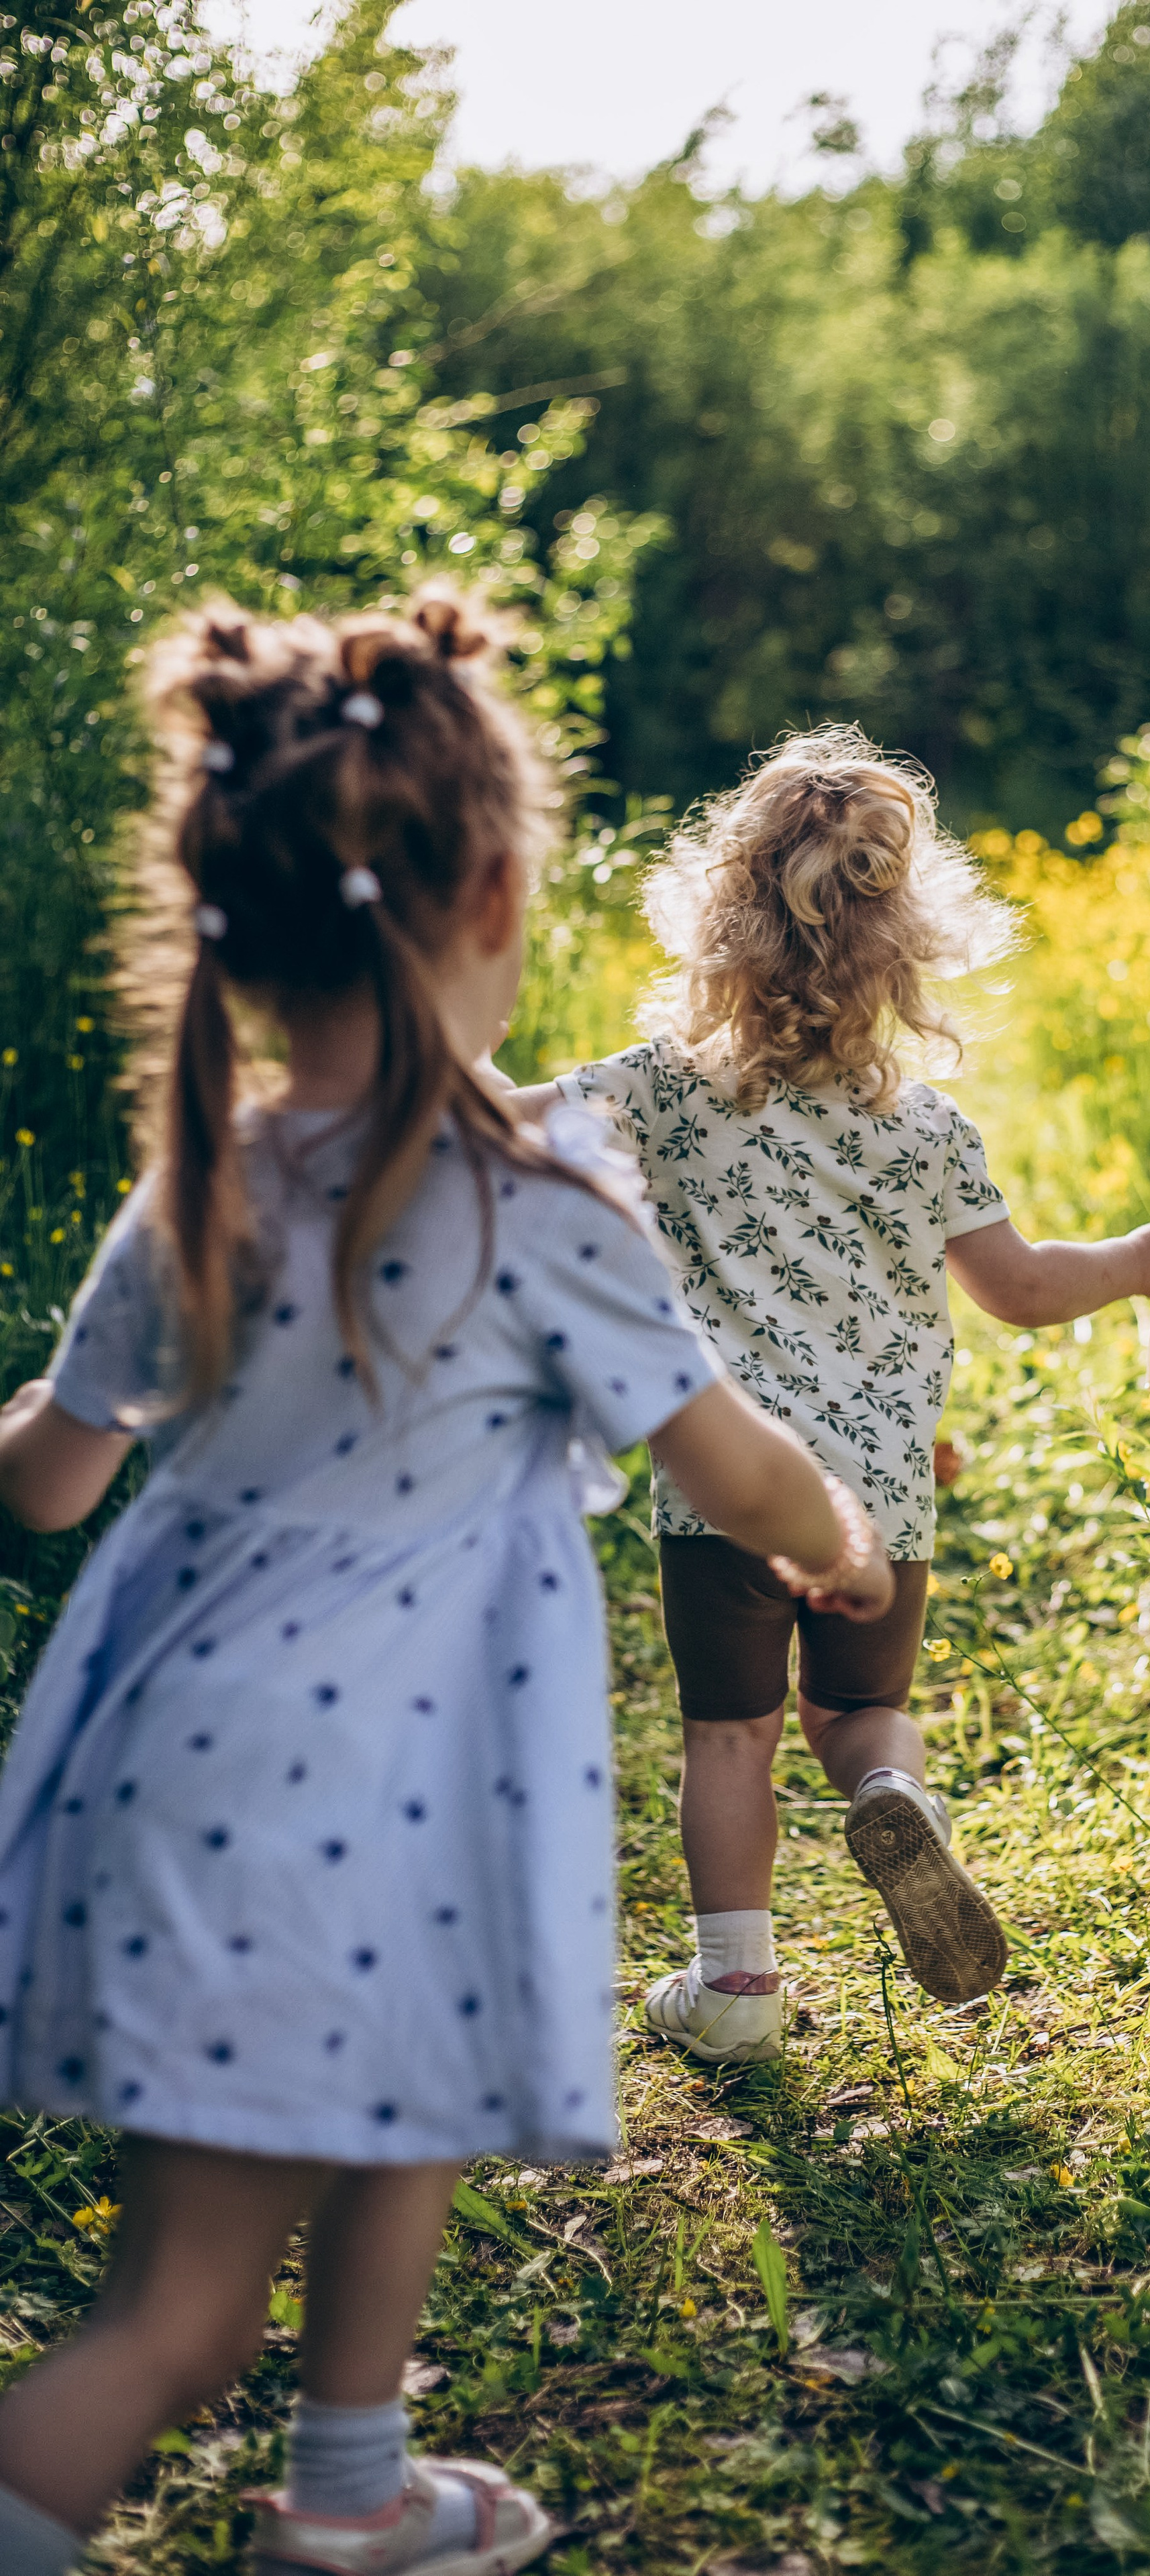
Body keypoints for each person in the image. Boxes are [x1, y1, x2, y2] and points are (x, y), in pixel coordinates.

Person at [0, 604, 892, 2576]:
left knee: (264, 2212)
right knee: (213, 2288)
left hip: (154, 1782)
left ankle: (354, 2494)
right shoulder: (537, 1198)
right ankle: (321, 2494)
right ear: (495, 887)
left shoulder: (203, 1181)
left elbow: (41, 1485)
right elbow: (724, 1459)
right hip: (376, 1799)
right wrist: (827, 1533)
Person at [509, 726, 1150, 2066]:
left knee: (729, 1735)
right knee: (853, 1710)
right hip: (881, 1495)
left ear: (718, 923)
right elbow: (1016, 1285)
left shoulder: (661, 1095)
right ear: (906, 954)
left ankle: (734, 1994)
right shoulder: (925, 1130)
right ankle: (891, 1791)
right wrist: (1130, 1264)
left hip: (730, 1484)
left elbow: (502, 1130)